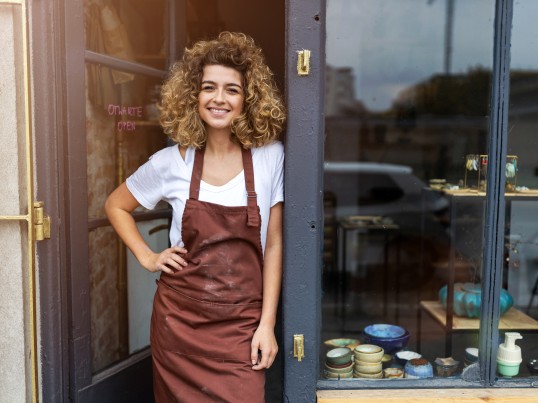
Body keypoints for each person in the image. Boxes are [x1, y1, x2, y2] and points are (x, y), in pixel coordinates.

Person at [105, 31, 286, 402]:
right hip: (180, 325)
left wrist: (267, 325)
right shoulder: (172, 162)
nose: (219, 99)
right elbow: (116, 205)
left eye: (232, 90)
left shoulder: (270, 157)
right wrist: (148, 256)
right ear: (194, 96)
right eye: (209, 87)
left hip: (240, 325)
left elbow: (274, 244)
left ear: (248, 99)